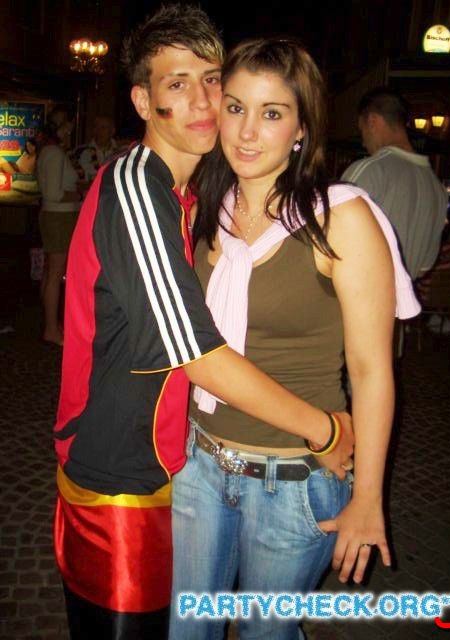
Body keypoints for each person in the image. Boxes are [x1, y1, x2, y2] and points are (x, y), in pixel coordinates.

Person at [52, 8, 355, 640]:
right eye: (177, 83)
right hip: (120, 478)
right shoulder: (137, 187)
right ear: (144, 101)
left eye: (212, 80)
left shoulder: (189, 196)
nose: (201, 101)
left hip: (173, 465)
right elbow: (197, 352)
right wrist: (323, 429)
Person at [169, 38, 420, 640]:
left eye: (272, 113)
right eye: (236, 107)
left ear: (302, 128)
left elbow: (372, 371)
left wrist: (368, 497)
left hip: (294, 481)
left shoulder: (341, 217)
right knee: (187, 628)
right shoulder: (206, 208)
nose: (246, 131)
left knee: (267, 633)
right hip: (198, 463)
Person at [341, 87, 448, 281]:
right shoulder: (437, 188)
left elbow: (333, 241)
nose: (364, 142)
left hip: (357, 294)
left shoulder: (369, 170)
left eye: (362, 131)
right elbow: (424, 267)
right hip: (402, 298)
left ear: (373, 121)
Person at [36, 123, 82, 346]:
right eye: (67, 127)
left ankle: (50, 324)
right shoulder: (54, 152)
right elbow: (54, 194)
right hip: (58, 217)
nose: (69, 130)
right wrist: (80, 194)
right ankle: (51, 329)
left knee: (50, 272)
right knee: (55, 273)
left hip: (54, 216)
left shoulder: (49, 151)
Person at [74, 115, 118, 184]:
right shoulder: (81, 152)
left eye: (103, 128)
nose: (98, 131)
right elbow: (77, 179)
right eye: (96, 127)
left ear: (112, 131)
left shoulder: (122, 153)